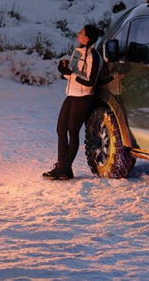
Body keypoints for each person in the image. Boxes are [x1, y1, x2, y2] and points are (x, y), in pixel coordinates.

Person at [43, 24, 103, 180]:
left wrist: (72, 74)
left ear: (87, 38)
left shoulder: (93, 56)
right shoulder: (77, 52)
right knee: (61, 129)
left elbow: (90, 81)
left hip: (83, 97)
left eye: (81, 32)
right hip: (71, 95)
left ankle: (66, 167)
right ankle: (61, 165)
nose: (78, 33)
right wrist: (64, 71)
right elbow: (71, 74)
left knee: (72, 131)